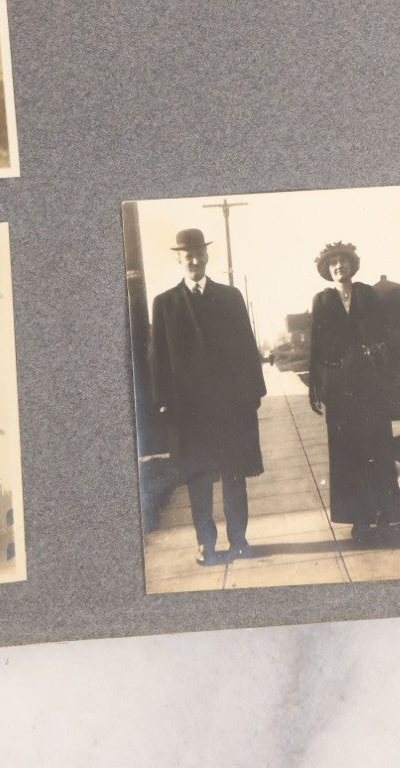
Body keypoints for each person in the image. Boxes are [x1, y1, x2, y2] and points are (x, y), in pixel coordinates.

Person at [150, 228, 266, 566]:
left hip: (230, 408)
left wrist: (253, 393)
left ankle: (240, 540)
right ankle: (206, 544)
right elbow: (158, 358)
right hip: (190, 413)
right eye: (188, 256)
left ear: (207, 255)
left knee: (233, 475)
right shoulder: (165, 303)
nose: (195, 260)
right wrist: (162, 401)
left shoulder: (230, 298)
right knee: (198, 479)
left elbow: (247, 347)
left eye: (199, 253)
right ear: (179, 259)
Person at [307, 241, 400, 542]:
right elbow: (317, 346)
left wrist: (383, 364)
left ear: (352, 265)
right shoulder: (322, 301)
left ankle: (385, 516)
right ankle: (359, 519)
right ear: (327, 270)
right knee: (348, 453)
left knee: (377, 449)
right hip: (340, 390)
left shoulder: (367, 294)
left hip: (370, 385)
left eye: (343, 261)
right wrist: (317, 386)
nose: (339, 266)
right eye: (333, 263)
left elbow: (385, 333)